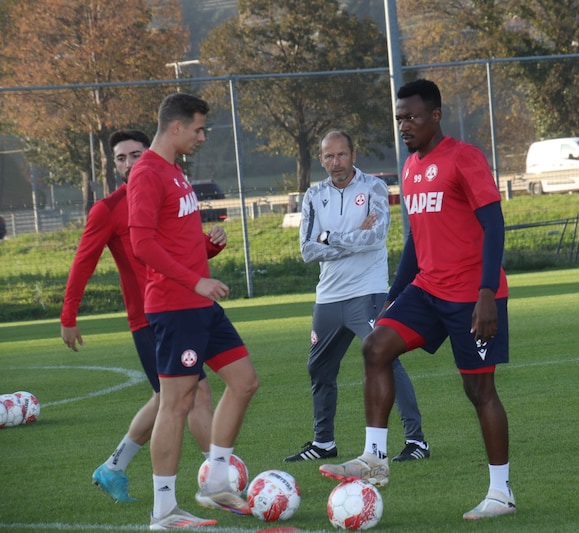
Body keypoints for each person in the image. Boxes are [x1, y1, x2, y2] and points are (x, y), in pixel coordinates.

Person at [320, 79, 516, 520]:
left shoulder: (464, 158)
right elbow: (415, 239)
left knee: (479, 389)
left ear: (435, 115)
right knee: (376, 346)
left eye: (411, 117)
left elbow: (494, 226)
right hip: (428, 288)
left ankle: (501, 493)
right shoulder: (409, 167)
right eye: (399, 119)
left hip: (472, 295)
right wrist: (394, 296)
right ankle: (375, 459)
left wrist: (486, 293)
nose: (404, 125)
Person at [60, 130, 215, 504]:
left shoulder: (166, 190)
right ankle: (222, 478)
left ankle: (114, 468)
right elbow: (84, 262)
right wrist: (69, 315)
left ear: (150, 154)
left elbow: (176, 255)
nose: (128, 163)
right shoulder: (109, 208)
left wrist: (212, 246)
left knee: (169, 397)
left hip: (182, 309)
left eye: (134, 154)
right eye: (120, 158)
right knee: (193, 393)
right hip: (149, 318)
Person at [127, 93, 259, 530]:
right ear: (177, 126)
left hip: (200, 303)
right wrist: (195, 280)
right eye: (199, 128)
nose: (203, 137)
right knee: (176, 405)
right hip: (175, 307)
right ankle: (163, 510)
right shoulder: (146, 172)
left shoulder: (174, 171)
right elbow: (142, 244)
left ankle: (216, 482)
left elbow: (174, 242)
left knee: (244, 382)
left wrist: (206, 250)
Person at [287, 130, 429, 464]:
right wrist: (345, 236)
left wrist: (328, 238)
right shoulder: (313, 195)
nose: (336, 163)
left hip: (368, 292)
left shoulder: (374, 188)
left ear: (354, 154)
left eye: (341, 155)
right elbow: (307, 250)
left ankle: (416, 440)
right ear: (321, 159)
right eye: (328, 157)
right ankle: (323, 443)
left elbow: (376, 237)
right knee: (319, 368)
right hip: (328, 297)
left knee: (386, 361)